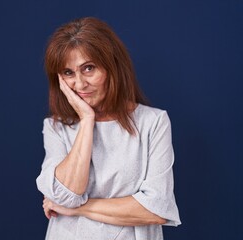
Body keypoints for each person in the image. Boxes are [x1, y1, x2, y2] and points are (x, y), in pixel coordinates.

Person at [36, 17, 181, 240]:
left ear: (112, 66)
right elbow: (67, 195)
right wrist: (86, 119)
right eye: (68, 73)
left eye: (89, 68)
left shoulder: (153, 122)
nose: (79, 84)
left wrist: (78, 209)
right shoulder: (56, 127)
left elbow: (155, 209)